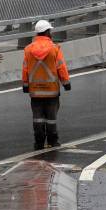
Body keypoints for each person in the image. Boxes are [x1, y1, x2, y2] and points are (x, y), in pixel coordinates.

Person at [22, 19, 71, 149]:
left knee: (37, 118)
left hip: (35, 92)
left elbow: (25, 69)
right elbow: (61, 67)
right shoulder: (54, 49)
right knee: (51, 118)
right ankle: (53, 141)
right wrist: (66, 83)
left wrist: (25, 85)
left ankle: (38, 142)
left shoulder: (28, 49)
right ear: (47, 32)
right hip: (52, 91)